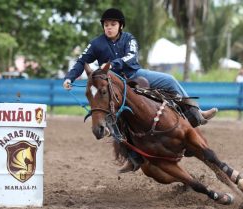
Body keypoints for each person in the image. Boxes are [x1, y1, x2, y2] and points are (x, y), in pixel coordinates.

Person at [63, 8, 218, 173]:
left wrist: (111, 65)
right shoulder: (96, 44)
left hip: (135, 75)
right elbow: (82, 61)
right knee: (113, 119)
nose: (109, 27)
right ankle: (132, 157)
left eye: (113, 24)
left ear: (120, 25)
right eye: (106, 25)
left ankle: (196, 112)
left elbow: (131, 56)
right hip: (113, 85)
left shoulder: (129, 39)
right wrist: (69, 78)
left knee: (170, 80)